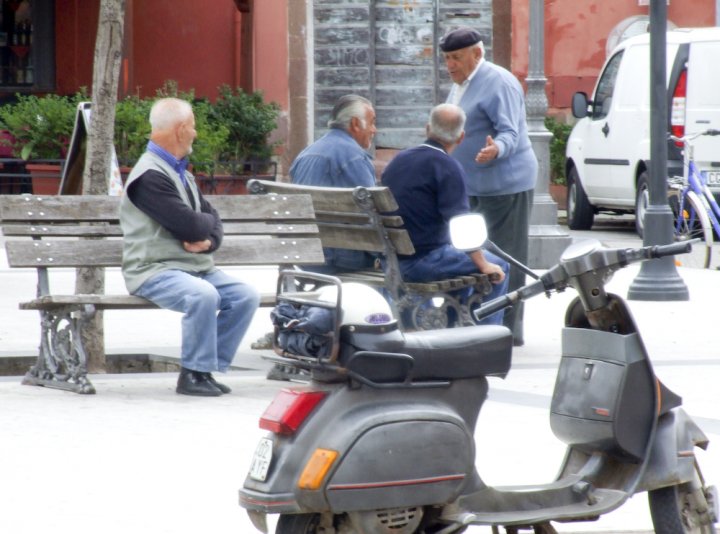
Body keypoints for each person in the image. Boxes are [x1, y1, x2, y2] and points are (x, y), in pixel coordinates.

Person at [119, 97, 260, 397]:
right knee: (203, 295)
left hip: (195, 268)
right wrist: (204, 226)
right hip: (154, 270)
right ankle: (192, 374)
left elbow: (212, 221)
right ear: (181, 129)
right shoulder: (150, 176)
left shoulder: (181, 172)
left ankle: (206, 369)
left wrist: (209, 240)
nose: (196, 133)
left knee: (245, 296)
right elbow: (190, 225)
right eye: (193, 127)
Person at [440, 27, 538, 344]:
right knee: (473, 256)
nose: (450, 65)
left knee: (506, 258)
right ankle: (478, 319)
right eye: (447, 59)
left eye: (456, 58)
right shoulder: (460, 86)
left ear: (477, 54)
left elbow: (511, 131)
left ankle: (509, 330)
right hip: (472, 186)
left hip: (505, 185)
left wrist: (497, 149)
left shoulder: (499, 82)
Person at [381, 103, 509, 326]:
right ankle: (487, 337)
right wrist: (484, 265)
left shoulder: (398, 161)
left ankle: (454, 326)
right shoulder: (447, 166)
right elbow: (460, 224)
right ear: (461, 138)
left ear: (427, 129)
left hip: (392, 261)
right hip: (422, 262)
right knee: (499, 266)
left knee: (465, 259)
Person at [290, 94, 378, 274]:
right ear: (355, 123)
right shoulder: (354, 158)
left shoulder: (305, 154)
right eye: (371, 122)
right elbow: (372, 214)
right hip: (342, 258)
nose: (374, 130)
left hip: (304, 253)